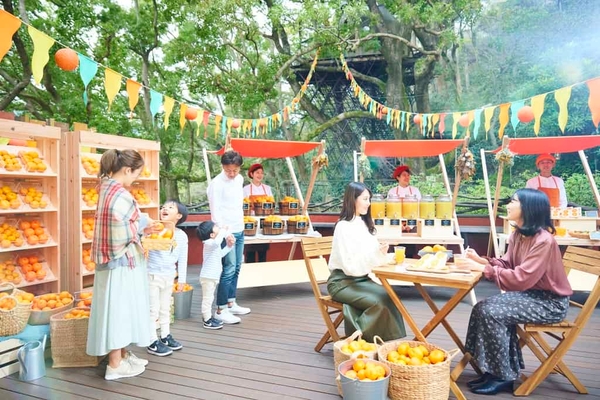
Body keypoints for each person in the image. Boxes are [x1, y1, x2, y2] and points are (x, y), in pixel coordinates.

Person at [457, 188, 572, 395]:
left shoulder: (544, 241)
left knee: (493, 312)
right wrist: (481, 260)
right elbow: (508, 263)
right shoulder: (519, 234)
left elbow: (521, 279)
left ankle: (503, 376)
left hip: (550, 303)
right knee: (481, 307)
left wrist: (484, 270)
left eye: (513, 201)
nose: (508, 205)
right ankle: (494, 370)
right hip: (532, 296)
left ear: (528, 208)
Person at [87, 149, 156, 381]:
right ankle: (115, 365)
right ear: (127, 170)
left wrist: (140, 223)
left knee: (120, 308)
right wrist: (143, 225)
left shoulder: (107, 188)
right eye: (136, 173)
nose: (136, 178)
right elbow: (123, 231)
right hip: (120, 261)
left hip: (113, 260)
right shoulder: (119, 194)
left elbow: (121, 223)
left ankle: (123, 356)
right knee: (119, 310)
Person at [327, 182, 407, 342]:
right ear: (353, 199)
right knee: (378, 302)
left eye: (369, 199)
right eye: (365, 199)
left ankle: (369, 340)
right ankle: (356, 340)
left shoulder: (364, 224)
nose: (369, 203)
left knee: (390, 296)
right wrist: (376, 255)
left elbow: (370, 256)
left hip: (362, 280)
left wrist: (382, 253)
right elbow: (350, 266)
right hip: (342, 283)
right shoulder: (343, 226)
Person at [207, 150, 251, 324]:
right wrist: (225, 233)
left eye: (235, 170)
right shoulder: (216, 184)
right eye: (228, 170)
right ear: (222, 167)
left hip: (239, 228)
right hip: (226, 232)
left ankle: (231, 302)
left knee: (237, 267)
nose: (232, 174)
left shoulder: (239, 179)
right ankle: (220, 309)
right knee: (229, 269)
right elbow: (215, 211)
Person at [146, 200, 189, 356]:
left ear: (179, 216)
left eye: (170, 207)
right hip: (152, 274)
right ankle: (151, 341)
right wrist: (149, 235)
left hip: (169, 276)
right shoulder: (155, 229)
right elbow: (145, 247)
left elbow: (183, 258)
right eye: (163, 207)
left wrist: (182, 280)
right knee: (153, 309)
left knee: (165, 308)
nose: (164, 209)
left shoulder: (182, 236)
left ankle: (165, 336)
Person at [197, 221, 235, 329]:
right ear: (212, 235)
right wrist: (224, 230)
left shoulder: (213, 244)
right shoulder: (208, 243)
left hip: (212, 276)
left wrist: (229, 246)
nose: (218, 228)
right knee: (207, 299)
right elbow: (217, 242)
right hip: (208, 277)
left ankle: (208, 317)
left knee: (210, 298)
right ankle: (207, 320)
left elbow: (220, 254)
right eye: (216, 227)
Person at [243, 163, 272, 263]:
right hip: (250, 221)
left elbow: (271, 203)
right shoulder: (246, 189)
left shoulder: (267, 188)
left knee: (262, 252)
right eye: (257, 173)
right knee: (249, 253)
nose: (260, 175)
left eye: (261, 173)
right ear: (251, 174)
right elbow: (243, 205)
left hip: (264, 222)